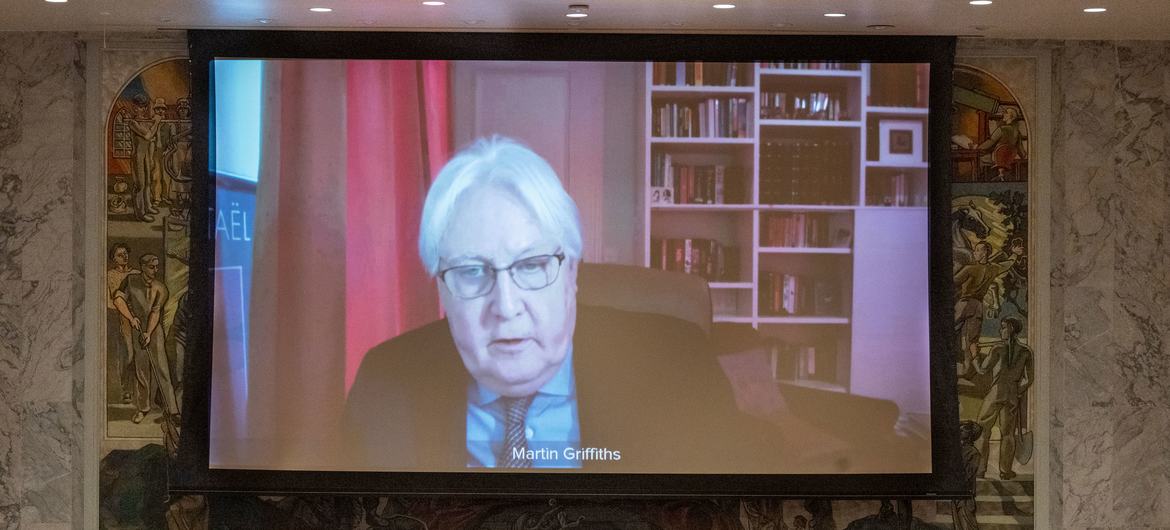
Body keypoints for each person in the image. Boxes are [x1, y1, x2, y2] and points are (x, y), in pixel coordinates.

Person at [343, 136, 772, 471]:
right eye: (472, 271)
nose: (506, 306)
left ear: (572, 275)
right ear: (441, 288)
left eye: (531, 265)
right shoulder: (387, 382)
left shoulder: (678, 365)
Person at [114, 253, 180, 424]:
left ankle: (172, 411)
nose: (155, 270)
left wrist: (148, 333)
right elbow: (118, 299)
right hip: (137, 328)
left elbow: (155, 312)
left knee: (162, 370)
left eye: (157, 266)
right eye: (152, 267)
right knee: (141, 371)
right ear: (142, 266)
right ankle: (143, 408)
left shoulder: (161, 288)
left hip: (154, 331)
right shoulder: (130, 281)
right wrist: (131, 318)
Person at [974, 316, 1033, 479]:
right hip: (1012, 395)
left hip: (996, 393)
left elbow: (982, 370)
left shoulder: (996, 349)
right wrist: (1017, 390)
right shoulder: (1026, 351)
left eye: (1003, 327)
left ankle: (980, 469)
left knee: (982, 430)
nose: (1001, 331)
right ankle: (1005, 471)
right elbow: (1029, 379)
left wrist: (974, 356)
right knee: (1008, 433)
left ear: (1011, 329)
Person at [954, 238, 1023, 377]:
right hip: (978, 307)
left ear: (985, 252)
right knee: (972, 340)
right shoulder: (993, 269)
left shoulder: (970, 269)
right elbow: (1007, 264)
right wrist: (1015, 254)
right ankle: (968, 370)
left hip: (964, 304)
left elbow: (952, 281)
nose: (975, 252)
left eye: (978, 250)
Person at [106, 243, 139, 403]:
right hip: (120, 318)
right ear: (113, 258)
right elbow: (111, 301)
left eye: (125, 253)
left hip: (139, 318)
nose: (124, 256)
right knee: (126, 354)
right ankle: (127, 390)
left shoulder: (136, 274)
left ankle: (140, 392)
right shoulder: (110, 275)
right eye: (120, 254)